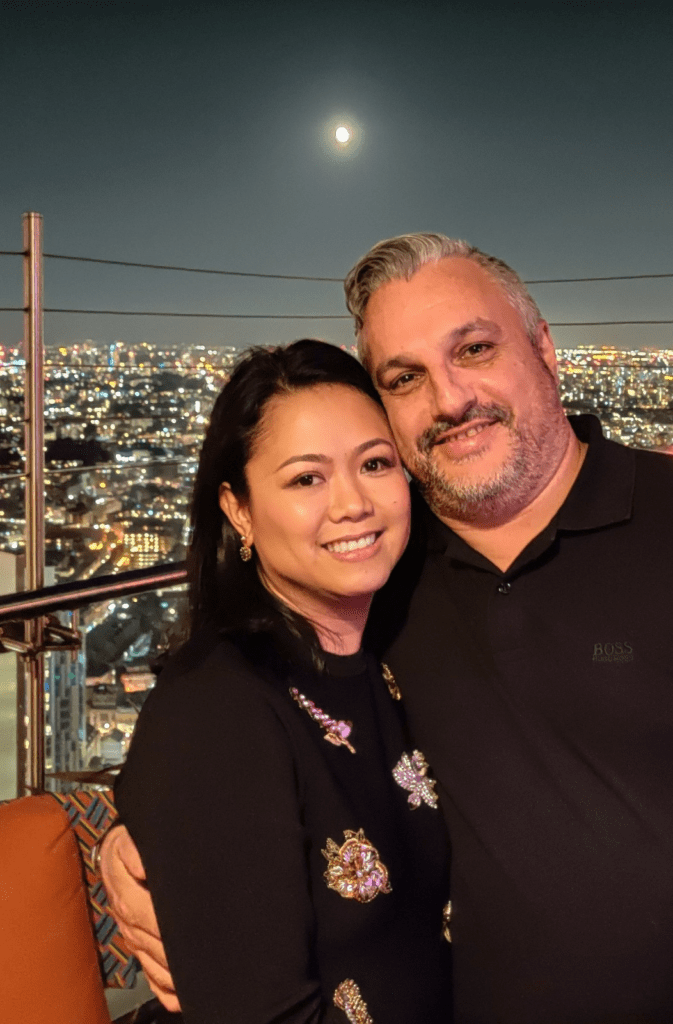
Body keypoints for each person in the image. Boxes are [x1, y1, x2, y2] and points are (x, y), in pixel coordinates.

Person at [103, 236, 673, 1023]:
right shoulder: (382, 571)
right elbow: (239, 735)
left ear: (543, 347)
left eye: (474, 349)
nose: (449, 399)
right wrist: (152, 839)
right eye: (404, 378)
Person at [110, 338, 452, 1024]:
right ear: (238, 510)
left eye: (375, 464)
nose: (352, 503)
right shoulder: (217, 711)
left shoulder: (404, 648)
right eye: (306, 479)